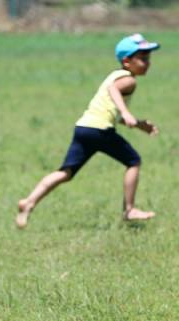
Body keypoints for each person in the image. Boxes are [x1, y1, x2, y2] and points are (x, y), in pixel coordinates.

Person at [16, 33, 160, 228]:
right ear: (127, 61)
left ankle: (29, 202)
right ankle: (130, 209)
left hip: (84, 128)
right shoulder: (128, 80)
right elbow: (113, 90)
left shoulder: (115, 75)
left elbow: (111, 110)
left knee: (66, 172)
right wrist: (126, 112)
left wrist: (139, 124)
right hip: (100, 130)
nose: (147, 62)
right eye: (142, 58)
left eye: (148, 58)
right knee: (133, 161)